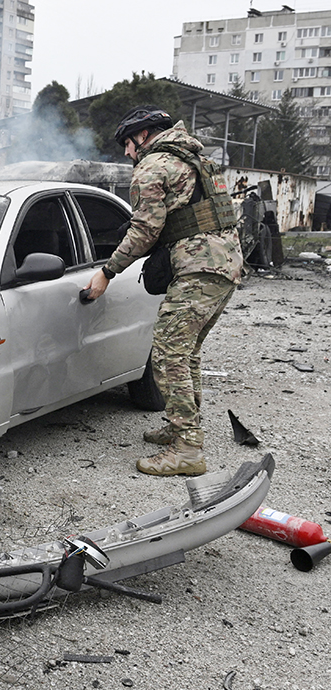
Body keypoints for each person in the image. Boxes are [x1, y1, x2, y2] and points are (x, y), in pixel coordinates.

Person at [83, 106, 243, 477]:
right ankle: (180, 426)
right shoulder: (196, 158)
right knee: (186, 352)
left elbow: (144, 231)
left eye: (127, 143)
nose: (126, 152)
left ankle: (187, 448)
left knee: (168, 353)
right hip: (225, 266)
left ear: (144, 135)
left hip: (198, 268)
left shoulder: (153, 166)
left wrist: (108, 272)